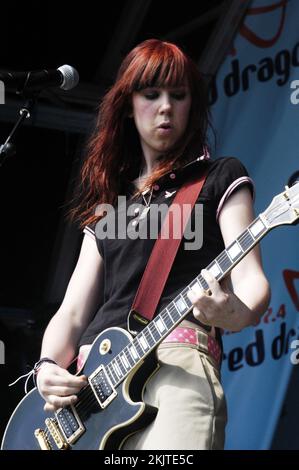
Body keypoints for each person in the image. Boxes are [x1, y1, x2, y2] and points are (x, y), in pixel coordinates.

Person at [36, 38, 270, 450]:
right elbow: (72, 311)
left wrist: (229, 312)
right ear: (128, 104)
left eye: (178, 95)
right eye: (151, 94)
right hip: (93, 392)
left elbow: (253, 285)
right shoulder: (110, 204)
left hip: (176, 368)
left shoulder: (218, 177)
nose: (165, 106)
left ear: (191, 106)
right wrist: (47, 367)